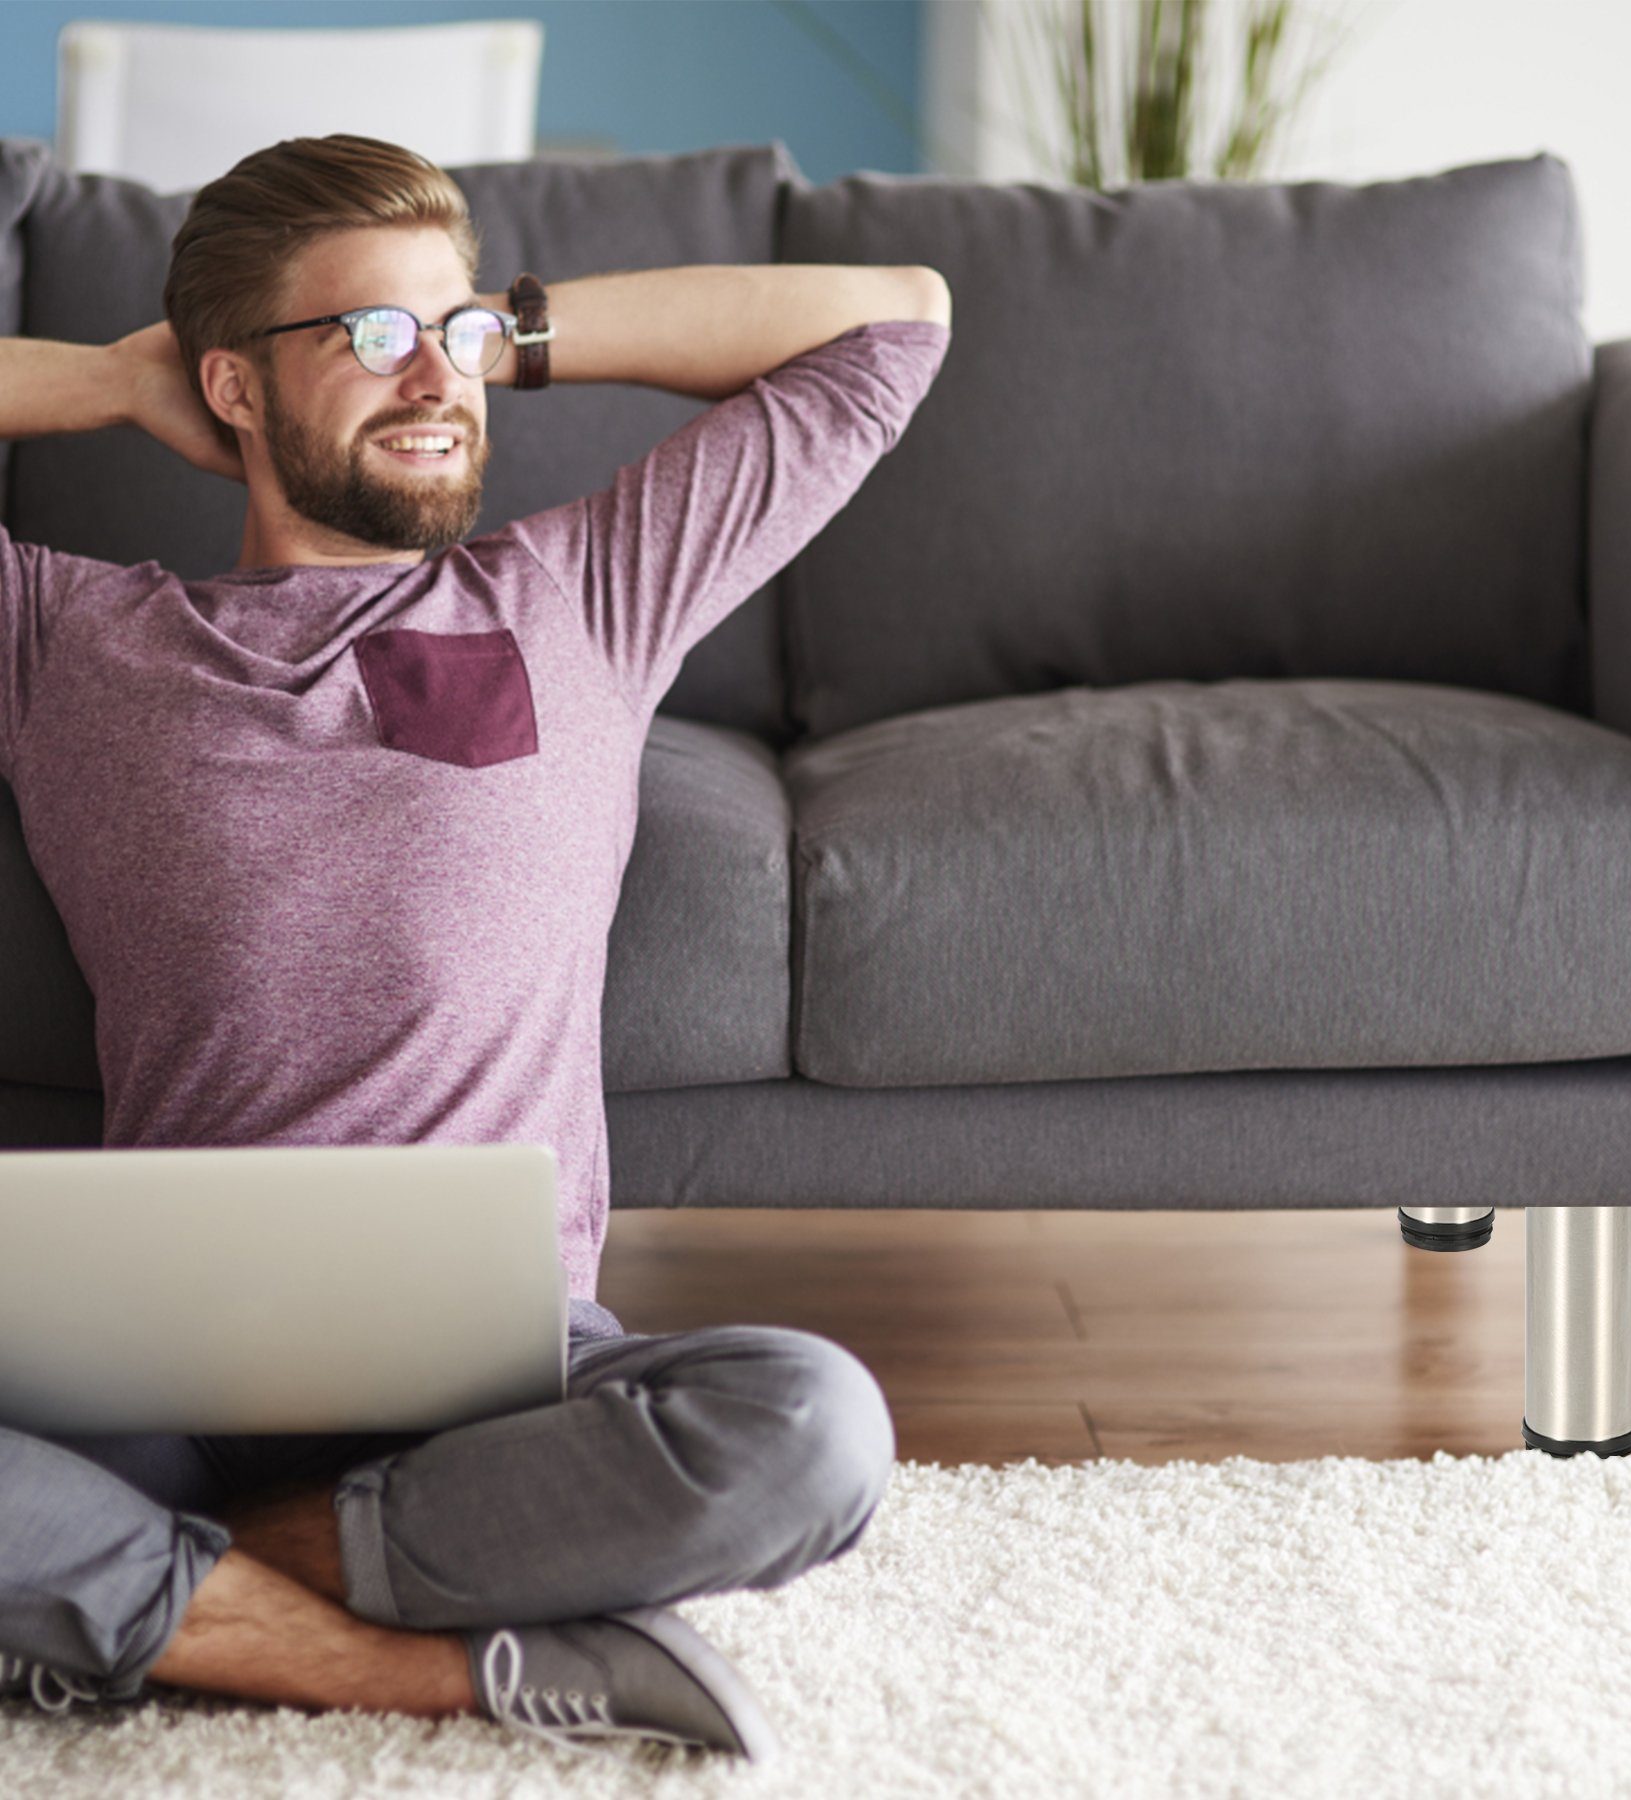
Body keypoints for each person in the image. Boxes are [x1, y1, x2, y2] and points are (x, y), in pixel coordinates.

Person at [0, 132, 953, 1762]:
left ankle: (151, 1610)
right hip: (149, 1385)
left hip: (504, 1387)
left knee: (812, 1432)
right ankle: (417, 1661)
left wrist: (513, 323)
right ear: (231, 386)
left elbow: (895, 323)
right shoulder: (68, 640)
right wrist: (102, 379)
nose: (437, 377)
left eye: (459, 337)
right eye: (372, 338)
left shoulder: (582, 593)